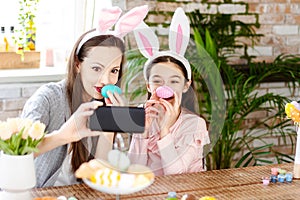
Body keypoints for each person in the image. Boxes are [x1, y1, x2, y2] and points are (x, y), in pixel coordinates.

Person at [20, 5, 148, 188]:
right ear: (77, 65)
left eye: (113, 70)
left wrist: (109, 124)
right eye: (96, 68)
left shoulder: (102, 105)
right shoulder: (48, 98)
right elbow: (15, 154)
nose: (105, 80)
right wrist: (62, 135)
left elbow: (101, 173)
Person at [128, 7, 210, 176]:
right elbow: (133, 171)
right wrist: (142, 131)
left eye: (174, 81)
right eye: (157, 81)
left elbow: (176, 175)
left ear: (186, 85)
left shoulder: (194, 124)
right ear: (148, 86)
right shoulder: (141, 115)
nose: (165, 87)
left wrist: (165, 130)